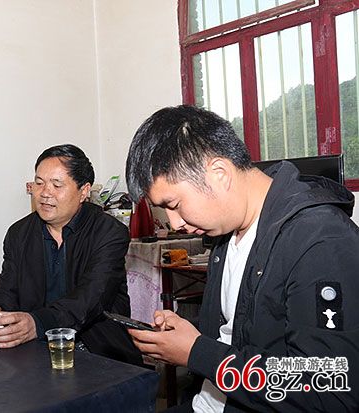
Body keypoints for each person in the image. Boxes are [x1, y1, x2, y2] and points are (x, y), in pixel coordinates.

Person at [125, 105, 359, 412]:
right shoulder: (227, 233)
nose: (174, 223)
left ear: (219, 174)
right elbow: (243, 326)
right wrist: (185, 333)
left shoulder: (320, 241)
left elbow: (330, 387)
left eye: (174, 204)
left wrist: (196, 352)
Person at [0, 144, 141, 364]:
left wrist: (38, 323)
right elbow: (7, 287)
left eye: (57, 185)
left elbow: (91, 298)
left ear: (83, 191)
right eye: (39, 183)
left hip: (98, 351)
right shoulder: (19, 233)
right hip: (36, 351)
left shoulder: (108, 232)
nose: (45, 193)